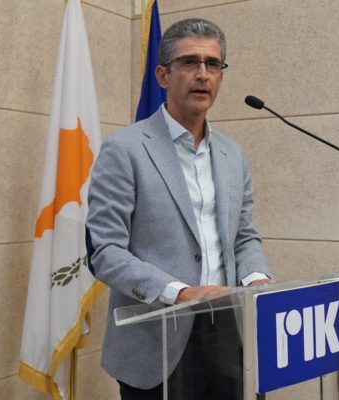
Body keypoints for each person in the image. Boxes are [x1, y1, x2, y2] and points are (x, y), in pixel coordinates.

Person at [85, 18, 273, 400]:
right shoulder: (125, 150)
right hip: (155, 342)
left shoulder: (233, 155)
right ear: (162, 75)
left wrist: (257, 281)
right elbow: (105, 251)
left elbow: (243, 237)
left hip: (229, 336)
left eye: (212, 64)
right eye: (189, 62)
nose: (202, 74)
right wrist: (181, 293)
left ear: (221, 76)